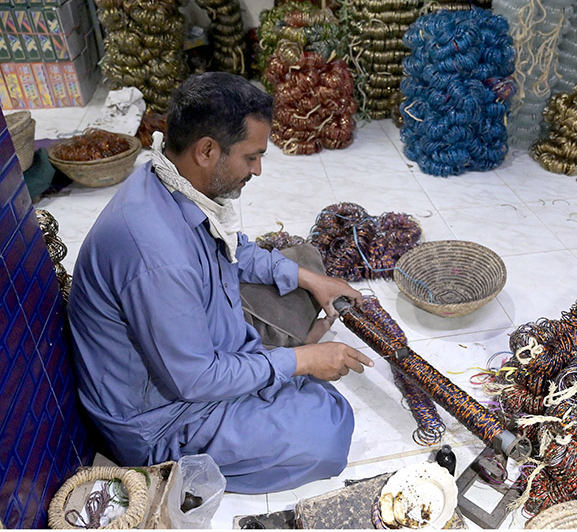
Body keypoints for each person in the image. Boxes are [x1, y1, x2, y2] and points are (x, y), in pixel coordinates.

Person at [68, 72, 373, 493]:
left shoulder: (170, 179)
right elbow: (193, 380)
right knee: (329, 431)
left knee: (301, 260)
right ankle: (186, 461)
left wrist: (311, 280)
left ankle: (275, 359)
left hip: (192, 354)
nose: (259, 170)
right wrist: (301, 360)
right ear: (207, 150)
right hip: (165, 418)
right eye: (251, 157)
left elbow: (232, 247)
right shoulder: (157, 255)